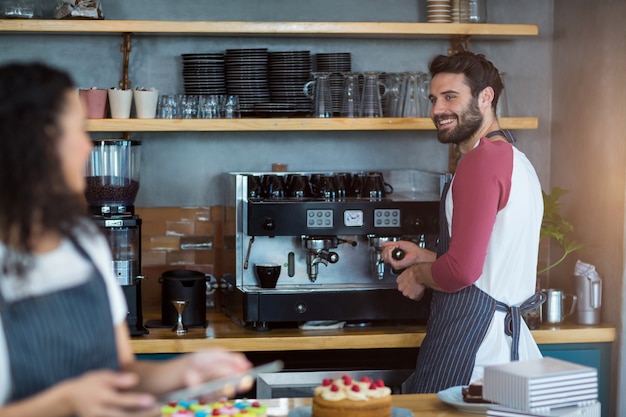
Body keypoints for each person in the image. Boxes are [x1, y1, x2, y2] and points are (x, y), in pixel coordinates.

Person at [0, 62, 252, 416]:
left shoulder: (83, 242)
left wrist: (183, 373)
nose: (88, 148)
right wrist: (66, 402)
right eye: (79, 131)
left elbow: (122, 373)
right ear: (41, 143)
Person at [381, 51, 545, 393]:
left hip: (473, 346)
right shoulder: (517, 160)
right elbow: (492, 265)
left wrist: (416, 275)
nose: (437, 110)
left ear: (486, 97)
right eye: (433, 99)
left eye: (450, 97)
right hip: (505, 342)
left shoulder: (479, 161)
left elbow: (461, 272)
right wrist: (425, 257)